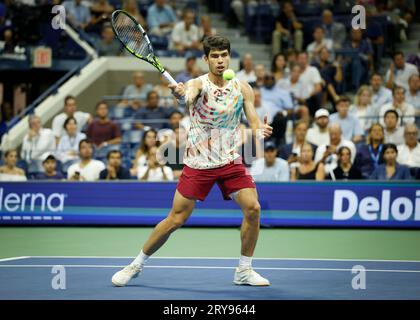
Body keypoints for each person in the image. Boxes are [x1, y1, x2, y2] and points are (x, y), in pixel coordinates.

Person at [112, 35, 273, 287]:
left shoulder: (243, 88)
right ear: (205, 59)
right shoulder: (197, 84)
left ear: (229, 57)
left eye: (224, 55)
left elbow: (252, 118)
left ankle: (244, 270)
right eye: (215, 56)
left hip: (230, 160)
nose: (220, 61)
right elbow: (187, 96)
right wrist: (180, 94)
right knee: (176, 219)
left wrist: (258, 129)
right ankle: (136, 264)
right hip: (199, 162)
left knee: (253, 209)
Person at [296, 52, 322, 116]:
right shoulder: (294, 71)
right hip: (296, 98)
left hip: (309, 98)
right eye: (300, 58)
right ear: (297, 60)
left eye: (303, 58)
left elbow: (318, 87)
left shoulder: (313, 70)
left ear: (307, 60)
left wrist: (306, 97)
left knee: (313, 99)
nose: (302, 61)